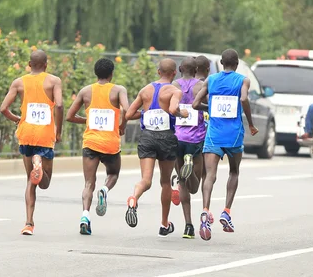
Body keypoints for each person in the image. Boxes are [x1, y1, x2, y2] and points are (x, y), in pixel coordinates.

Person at [191, 49, 258, 241]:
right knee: (234, 171)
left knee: (210, 175)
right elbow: (244, 99)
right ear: (236, 64)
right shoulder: (242, 80)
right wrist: (251, 124)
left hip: (214, 134)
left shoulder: (211, 80)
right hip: (234, 134)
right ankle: (226, 212)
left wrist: (211, 108)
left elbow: (195, 104)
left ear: (221, 63)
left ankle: (205, 211)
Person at [0, 50, 63, 235]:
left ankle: (28, 223)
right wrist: (58, 131)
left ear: (29, 64)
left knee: (30, 181)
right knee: (44, 183)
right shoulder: (53, 81)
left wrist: (18, 119)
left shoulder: (19, 82)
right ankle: (38, 162)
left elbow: (3, 108)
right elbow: (58, 105)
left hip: (26, 133)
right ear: (46, 64)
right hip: (44, 135)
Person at [66, 58, 130, 235]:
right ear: (111, 73)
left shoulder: (86, 91)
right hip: (110, 143)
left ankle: (85, 216)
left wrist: (88, 119)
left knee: (88, 183)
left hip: (91, 142)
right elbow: (127, 110)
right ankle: (105, 189)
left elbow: (70, 116)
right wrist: (122, 125)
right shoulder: (118, 90)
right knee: (113, 173)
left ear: (96, 73)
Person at [124, 58, 182, 237]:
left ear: (158, 72)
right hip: (166, 137)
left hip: (147, 136)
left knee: (146, 181)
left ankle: (134, 197)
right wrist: (182, 112)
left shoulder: (145, 90)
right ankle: (164, 224)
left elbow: (128, 114)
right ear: (174, 73)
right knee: (165, 182)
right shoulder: (174, 91)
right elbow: (173, 110)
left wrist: (146, 113)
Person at [169, 56, 210, 239]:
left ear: (179, 69)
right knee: (194, 186)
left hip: (177, 138)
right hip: (196, 138)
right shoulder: (200, 87)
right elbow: (210, 106)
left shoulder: (174, 87)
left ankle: (188, 226)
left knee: (182, 183)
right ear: (196, 71)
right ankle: (190, 166)